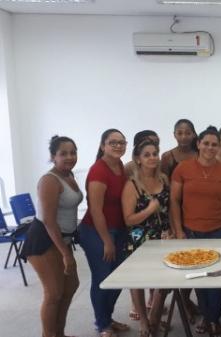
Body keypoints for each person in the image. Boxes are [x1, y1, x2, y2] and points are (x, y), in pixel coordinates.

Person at [171, 126, 221, 337]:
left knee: (216, 279)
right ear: (198, 144)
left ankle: (214, 319)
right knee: (199, 278)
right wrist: (179, 231)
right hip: (191, 232)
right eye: (206, 143)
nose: (210, 147)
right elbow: (174, 201)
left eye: (214, 144)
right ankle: (207, 318)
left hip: (219, 231)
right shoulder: (182, 169)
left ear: (219, 147)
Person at [20, 136, 83, 337]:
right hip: (43, 240)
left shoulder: (69, 175)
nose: (69, 157)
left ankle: (59, 333)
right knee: (54, 293)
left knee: (71, 286)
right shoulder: (49, 180)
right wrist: (66, 254)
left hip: (62, 239)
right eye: (63, 153)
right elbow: (48, 221)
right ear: (52, 156)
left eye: (73, 152)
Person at [78, 129, 130, 337]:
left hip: (118, 229)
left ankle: (107, 318)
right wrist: (107, 241)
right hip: (96, 231)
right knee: (102, 277)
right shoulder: (98, 170)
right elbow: (96, 209)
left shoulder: (119, 166)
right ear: (102, 146)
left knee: (117, 278)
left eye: (122, 142)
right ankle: (102, 324)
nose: (118, 146)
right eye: (113, 142)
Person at [121, 139, 171, 336]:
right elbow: (128, 219)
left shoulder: (164, 180)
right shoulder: (132, 185)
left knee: (163, 281)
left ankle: (155, 319)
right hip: (139, 239)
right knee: (138, 281)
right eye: (147, 154)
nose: (152, 158)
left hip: (164, 237)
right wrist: (150, 210)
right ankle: (143, 321)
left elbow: (170, 208)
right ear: (138, 159)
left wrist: (174, 231)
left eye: (155, 154)